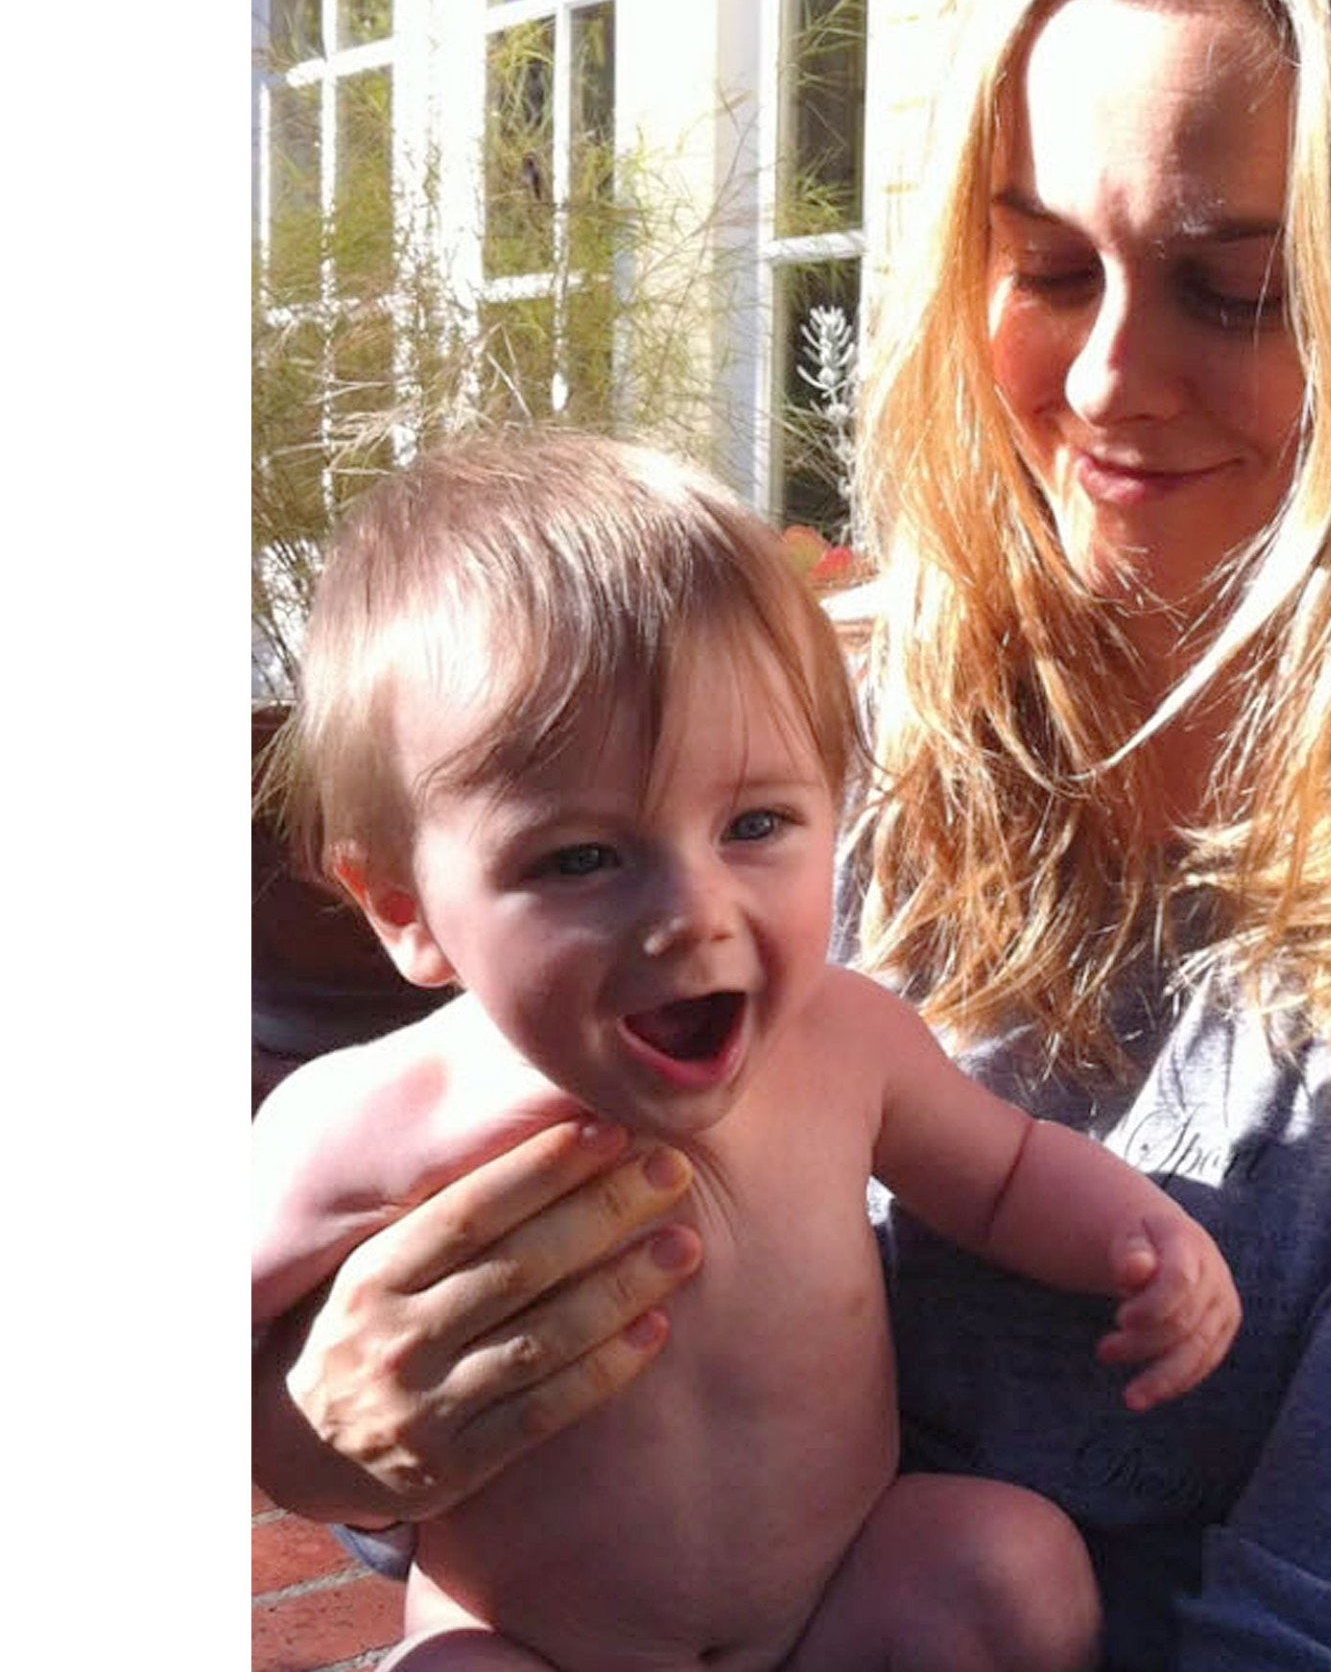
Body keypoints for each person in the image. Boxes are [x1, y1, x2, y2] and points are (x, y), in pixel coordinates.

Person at [253, 0, 1331, 1669]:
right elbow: (451, 1401)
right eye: (1045, 265)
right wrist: (317, 1427)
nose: (1103, 377)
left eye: (1232, 290)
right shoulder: (817, 733)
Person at [252, 431, 1241, 1672]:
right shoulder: (368, 1118)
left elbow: (999, 1172)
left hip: (829, 1608)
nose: (692, 911)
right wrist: (286, 1431)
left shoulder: (846, 1042)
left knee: (1006, 1559)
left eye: (755, 823)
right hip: (535, 1640)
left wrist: (1138, 1237)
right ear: (404, 906)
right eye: (579, 857)